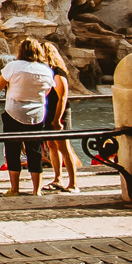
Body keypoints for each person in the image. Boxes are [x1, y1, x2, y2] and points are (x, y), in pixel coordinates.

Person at [0, 35, 54, 196]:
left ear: (20, 51)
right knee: (34, 150)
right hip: (37, 114)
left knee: (12, 149)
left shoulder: (13, 66)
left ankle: (14, 189)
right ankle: (36, 190)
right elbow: (47, 91)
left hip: (14, 112)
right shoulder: (45, 70)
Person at [43, 42, 81, 193]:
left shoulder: (58, 72)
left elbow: (63, 97)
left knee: (64, 147)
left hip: (59, 113)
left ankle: (73, 183)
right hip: (48, 111)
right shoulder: (49, 72)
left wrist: (57, 119)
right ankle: (57, 178)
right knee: (52, 145)